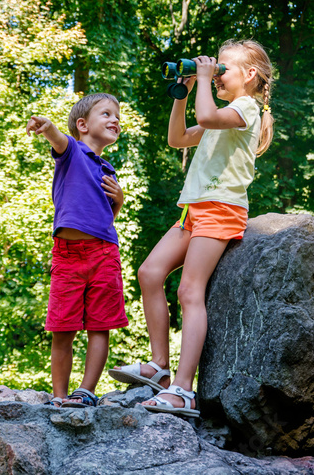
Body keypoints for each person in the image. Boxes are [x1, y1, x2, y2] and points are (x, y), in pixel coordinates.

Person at [108, 39, 274, 417]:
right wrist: (181, 95)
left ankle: (184, 390)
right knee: (149, 273)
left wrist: (201, 79)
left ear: (249, 76)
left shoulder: (246, 108)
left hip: (221, 208)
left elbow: (211, 116)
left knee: (189, 291)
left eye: (222, 69)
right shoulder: (221, 112)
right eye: (214, 69)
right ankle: (160, 368)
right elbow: (177, 139)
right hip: (194, 209)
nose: (215, 74)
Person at [26, 93, 128, 408]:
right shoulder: (73, 152)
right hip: (68, 256)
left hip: (103, 253)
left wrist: (119, 201)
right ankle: (58, 396)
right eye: (107, 114)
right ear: (82, 126)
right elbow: (59, 139)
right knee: (62, 327)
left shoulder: (107, 169)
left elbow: (101, 219)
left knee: (101, 325)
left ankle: (85, 391)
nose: (115, 120)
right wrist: (47, 126)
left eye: (118, 117)